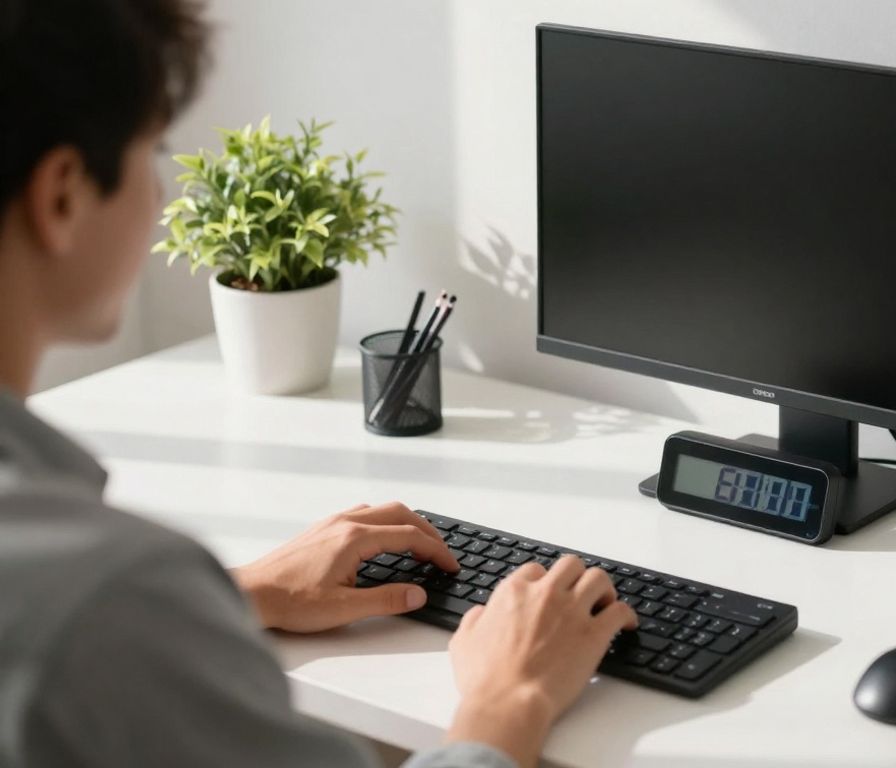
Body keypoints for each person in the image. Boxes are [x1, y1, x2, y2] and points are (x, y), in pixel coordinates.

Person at [0, 1, 639, 767]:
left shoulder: (84, 594)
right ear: (62, 196)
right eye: (155, 152)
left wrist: (237, 595)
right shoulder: (104, 596)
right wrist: (511, 697)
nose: (162, 198)